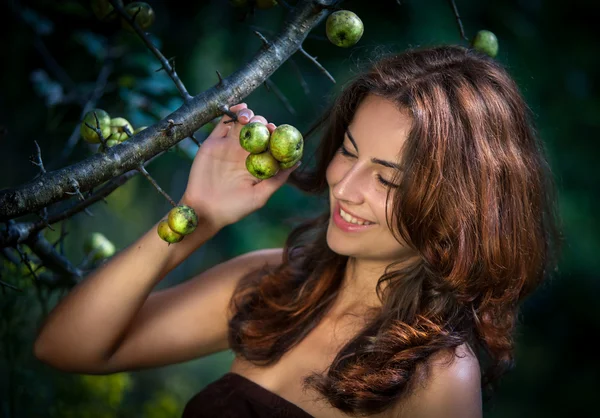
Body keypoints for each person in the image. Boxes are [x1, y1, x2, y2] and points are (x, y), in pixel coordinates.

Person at [33, 45, 563, 418]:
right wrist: (198, 216)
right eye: (348, 153)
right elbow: (67, 347)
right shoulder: (279, 281)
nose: (345, 185)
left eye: (387, 178)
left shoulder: (437, 378)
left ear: (457, 205)